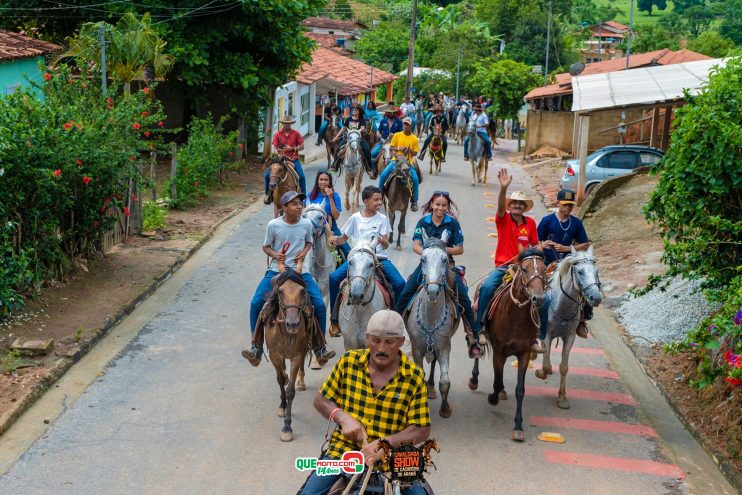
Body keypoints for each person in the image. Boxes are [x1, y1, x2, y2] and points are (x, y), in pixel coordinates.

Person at [299, 310, 431, 495]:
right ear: (367, 339)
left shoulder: (414, 376)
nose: (381, 348)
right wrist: (343, 418)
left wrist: (385, 444)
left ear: (401, 342)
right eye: (375, 341)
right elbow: (321, 400)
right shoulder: (348, 362)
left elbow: (421, 429)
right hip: (344, 452)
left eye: (389, 341)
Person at [242, 191, 336, 367]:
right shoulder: (274, 225)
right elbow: (266, 247)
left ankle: (320, 347)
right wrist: (277, 256)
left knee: (320, 305)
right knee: (256, 303)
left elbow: (309, 242)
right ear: (284, 207)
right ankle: (256, 348)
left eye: (300, 203)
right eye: (294, 204)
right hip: (275, 271)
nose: (299, 206)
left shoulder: (306, 224)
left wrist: (302, 256)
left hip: (302, 272)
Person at [395, 191, 482, 357]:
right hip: (427, 265)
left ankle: (473, 337)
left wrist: (440, 251)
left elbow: (459, 248)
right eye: (437, 204)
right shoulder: (423, 222)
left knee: (463, 297)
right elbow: (416, 245)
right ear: (431, 205)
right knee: (405, 292)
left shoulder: (453, 224)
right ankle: (394, 329)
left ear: (447, 207)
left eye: (443, 205)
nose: (440, 208)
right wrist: (428, 254)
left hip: (446, 265)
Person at [474, 169, 542, 352]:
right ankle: (479, 328)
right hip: (504, 267)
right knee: (487, 288)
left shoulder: (531, 224)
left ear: (524, 208)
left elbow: (535, 244)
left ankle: (537, 335)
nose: (518, 206)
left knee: (542, 294)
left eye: (521, 204)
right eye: (515, 203)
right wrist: (503, 188)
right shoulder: (503, 219)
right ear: (510, 206)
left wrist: (539, 249)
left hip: (525, 269)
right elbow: (499, 208)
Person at [328, 186, 406, 336]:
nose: (379, 203)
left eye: (380, 200)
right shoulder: (355, 218)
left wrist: (383, 242)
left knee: (399, 283)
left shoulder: (382, 219)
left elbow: (386, 244)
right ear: (366, 201)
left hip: (378, 258)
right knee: (333, 278)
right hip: (357, 258)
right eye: (376, 200)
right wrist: (333, 239)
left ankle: (396, 319)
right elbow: (343, 239)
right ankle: (335, 320)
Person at [537, 188, 592, 339]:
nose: (568, 207)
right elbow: (536, 241)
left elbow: (585, 244)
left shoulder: (576, 223)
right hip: (548, 262)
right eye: (565, 204)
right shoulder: (546, 221)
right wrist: (543, 245)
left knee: (584, 284)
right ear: (558, 203)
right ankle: (534, 322)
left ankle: (582, 320)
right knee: (536, 289)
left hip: (568, 264)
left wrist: (568, 248)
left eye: (570, 205)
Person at [378, 117, 420, 212]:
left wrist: (409, 150)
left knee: (415, 179)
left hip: (407, 162)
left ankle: (414, 201)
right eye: (404, 124)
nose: (406, 126)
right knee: (383, 175)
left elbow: (415, 153)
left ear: (411, 125)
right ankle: (379, 196)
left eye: (408, 124)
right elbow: (391, 148)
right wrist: (399, 148)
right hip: (395, 160)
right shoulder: (397, 135)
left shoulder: (414, 139)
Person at [307, 170, 350, 258]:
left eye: (326, 180)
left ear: (329, 182)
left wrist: (330, 198)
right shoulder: (310, 196)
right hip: (312, 227)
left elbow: (336, 216)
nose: (323, 182)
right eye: (321, 179)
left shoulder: (335, 195)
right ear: (317, 181)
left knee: (347, 251)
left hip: (331, 227)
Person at [265, 115, 307, 204]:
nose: (286, 125)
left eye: (288, 124)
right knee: (267, 175)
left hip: (293, 159)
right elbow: (275, 147)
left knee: (302, 177)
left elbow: (302, 146)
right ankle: (268, 194)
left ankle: (303, 198)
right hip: (280, 159)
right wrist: (279, 152)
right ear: (282, 124)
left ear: (291, 124)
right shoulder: (277, 134)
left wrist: (292, 149)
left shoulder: (296, 134)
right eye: (285, 123)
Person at [332, 106, 373, 173]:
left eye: (356, 110)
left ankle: (369, 168)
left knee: (367, 150)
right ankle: (335, 165)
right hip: (349, 138)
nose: (354, 111)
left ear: (359, 112)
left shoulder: (362, 120)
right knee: (338, 148)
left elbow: (363, 128)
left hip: (359, 139)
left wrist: (356, 131)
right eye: (353, 109)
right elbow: (343, 128)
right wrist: (336, 137)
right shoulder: (348, 119)